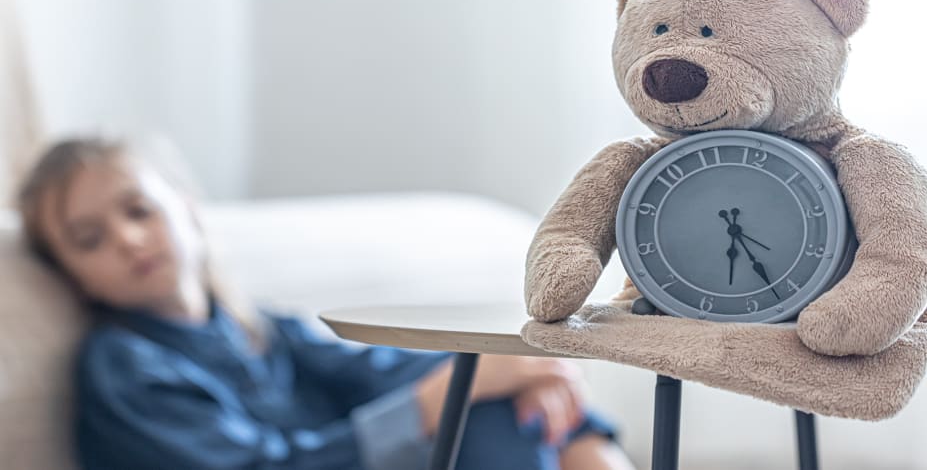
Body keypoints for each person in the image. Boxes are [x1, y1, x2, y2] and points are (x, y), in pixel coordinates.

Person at [16, 137, 636, 470]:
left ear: (186, 208)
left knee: (488, 391)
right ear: (76, 279)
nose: (126, 240)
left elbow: (390, 371)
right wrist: (436, 401)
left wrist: (534, 380)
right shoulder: (123, 365)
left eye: (138, 210)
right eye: (89, 239)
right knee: (464, 400)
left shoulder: (259, 329)